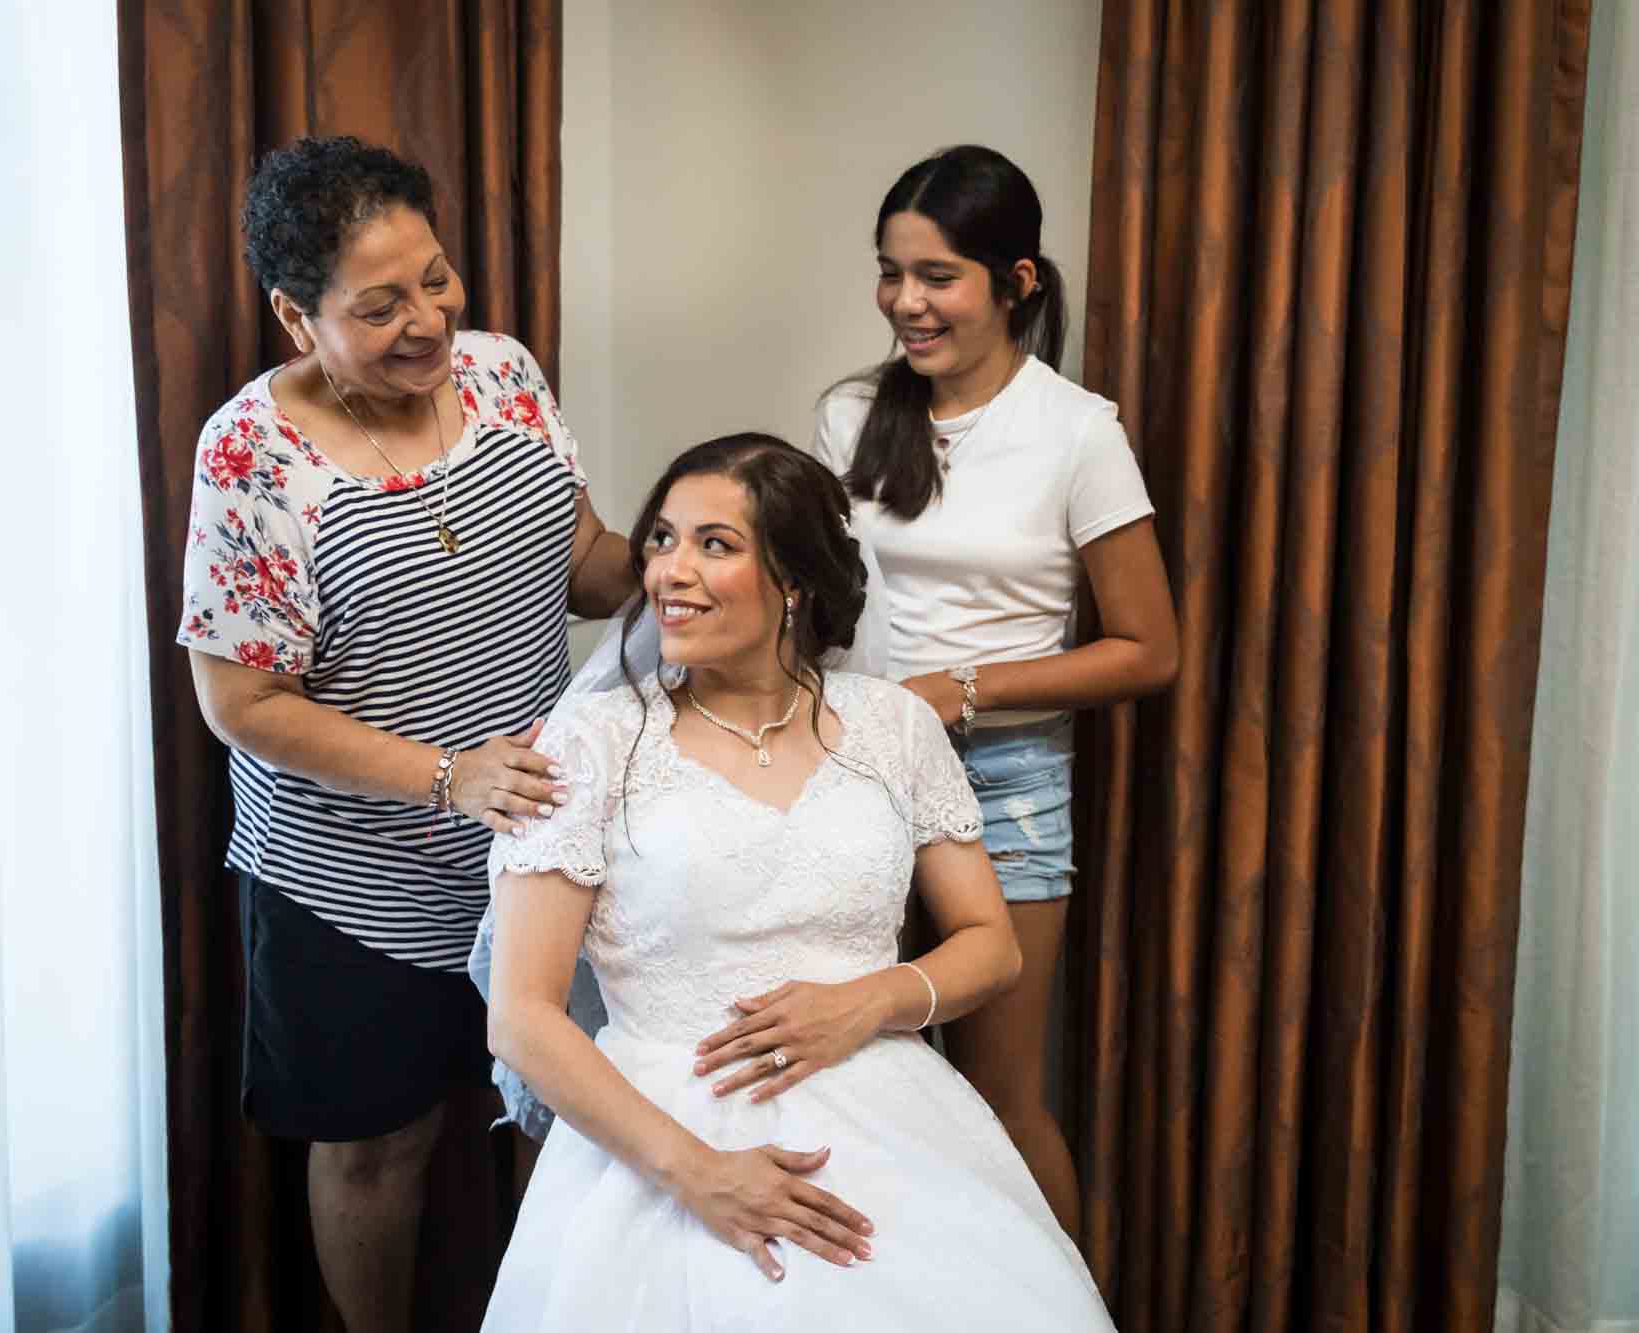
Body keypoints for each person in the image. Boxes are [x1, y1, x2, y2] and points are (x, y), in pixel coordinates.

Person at [480, 435, 1117, 1330]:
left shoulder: (892, 726)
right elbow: (521, 1016)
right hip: (662, 1130)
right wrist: (698, 1173)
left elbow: (991, 944)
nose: (670, 571)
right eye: (662, 540)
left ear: (797, 581)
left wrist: (871, 1001)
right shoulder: (587, 746)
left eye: (715, 544)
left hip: (887, 1112)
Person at [176, 135, 633, 1331]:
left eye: (434, 279)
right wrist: (446, 775)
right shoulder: (250, 454)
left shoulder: (504, 374)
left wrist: (697, 547)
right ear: (295, 317)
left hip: (535, 851)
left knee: (558, 1113)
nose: (428, 321)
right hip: (350, 880)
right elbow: (241, 704)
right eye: (378, 307)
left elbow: (584, 568)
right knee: (382, 1149)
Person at [811, 144, 1178, 1237]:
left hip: (1007, 779)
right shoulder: (846, 415)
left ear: (1016, 281)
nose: (905, 303)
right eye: (890, 272)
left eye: (936, 277)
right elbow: (812, 597)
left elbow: (1147, 649)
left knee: (1000, 1101)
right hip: (851, 765)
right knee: (858, 1086)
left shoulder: (1077, 432)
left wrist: (956, 690)